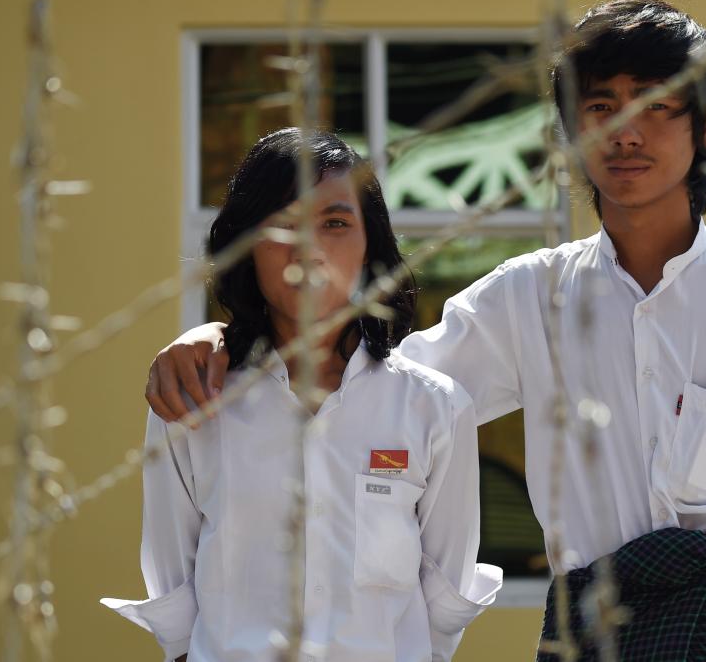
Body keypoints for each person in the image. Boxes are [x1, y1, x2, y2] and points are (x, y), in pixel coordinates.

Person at [144, 0, 706, 661]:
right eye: (600, 105)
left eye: (657, 106)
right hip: (589, 637)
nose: (626, 131)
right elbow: (373, 382)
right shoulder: (531, 296)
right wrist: (224, 338)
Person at [102, 128, 502, 662]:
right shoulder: (195, 400)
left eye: (335, 224)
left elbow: (444, 599)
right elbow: (172, 588)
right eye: (281, 226)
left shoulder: (435, 406)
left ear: (370, 246)